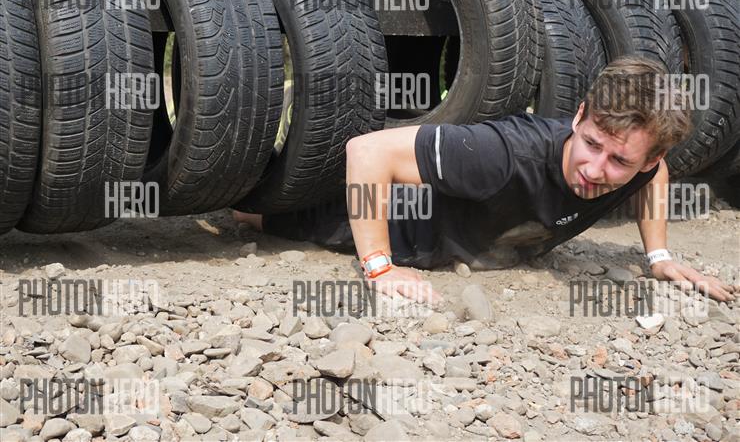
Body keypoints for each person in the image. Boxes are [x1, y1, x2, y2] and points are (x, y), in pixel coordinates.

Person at [235, 56, 736, 304]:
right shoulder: (504, 155)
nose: (594, 168)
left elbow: (655, 176)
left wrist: (659, 256)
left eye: (619, 161)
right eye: (590, 144)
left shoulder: (642, 166)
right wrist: (379, 268)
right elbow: (365, 152)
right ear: (580, 115)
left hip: (448, 233)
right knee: (246, 211)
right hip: (378, 218)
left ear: (646, 159)